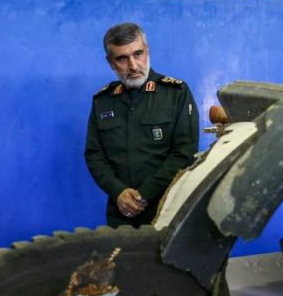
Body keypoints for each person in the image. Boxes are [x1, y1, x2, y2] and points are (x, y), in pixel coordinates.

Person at [84, 22, 199, 227]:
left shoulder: (176, 94)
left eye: (138, 54)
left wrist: (143, 195)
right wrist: (118, 191)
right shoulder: (103, 101)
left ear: (147, 51)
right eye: (122, 58)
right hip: (120, 212)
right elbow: (95, 155)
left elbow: (184, 153)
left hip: (167, 209)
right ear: (110, 62)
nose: (133, 65)